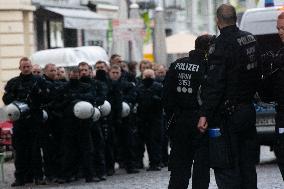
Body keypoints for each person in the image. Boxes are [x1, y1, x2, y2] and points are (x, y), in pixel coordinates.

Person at [197, 4, 259, 189]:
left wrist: (204, 113)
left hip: (227, 115)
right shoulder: (250, 39)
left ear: (218, 21)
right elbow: (258, 72)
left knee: (226, 166)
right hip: (248, 110)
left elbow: (215, 84)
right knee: (247, 165)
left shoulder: (220, 45)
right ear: (235, 18)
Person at [164, 34, 213, 189]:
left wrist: (173, 114)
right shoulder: (208, 67)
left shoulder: (176, 64)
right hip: (201, 121)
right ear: (209, 49)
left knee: (179, 166)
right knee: (201, 166)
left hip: (179, 121)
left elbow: (166, 95)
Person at [2, 57, 46, 186]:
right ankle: (20, 177)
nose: (26, 69)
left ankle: (38, 176)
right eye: (24, 67)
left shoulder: (39, 81)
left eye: (28, 66)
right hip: (19, 121)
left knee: (35, 149)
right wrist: (17, 101)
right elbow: (6, 98)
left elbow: (45, 97)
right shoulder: (13, 82)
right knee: (20, 150)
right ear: (20, 68)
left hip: (34, 119)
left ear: (31, 67)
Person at [260, 12, 284, 180]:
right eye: (278, 28)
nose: (280, 32)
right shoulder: (279, 53)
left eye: (283, 28)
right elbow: (269, 92)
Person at [108, 64, 139, 174]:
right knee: (110, 143)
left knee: (128, 142)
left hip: (125, 117)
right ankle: (110, 167)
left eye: (117, 73)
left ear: (120, 73)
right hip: (111, 117)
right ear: (109, 73)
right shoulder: (107, 85)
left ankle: (130, 165)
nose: (115, 75)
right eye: (113, 73)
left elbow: (133, 96)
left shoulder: (127, 85)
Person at [136, 69, 163, 171]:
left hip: (155, 118)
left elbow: (164, 101)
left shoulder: (158, 87)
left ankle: (155, 162)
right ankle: (140, 162)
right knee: (141, 142)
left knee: (154, 141)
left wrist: (156, 99)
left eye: (149, 77)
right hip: (143, 119)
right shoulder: (139, 87)